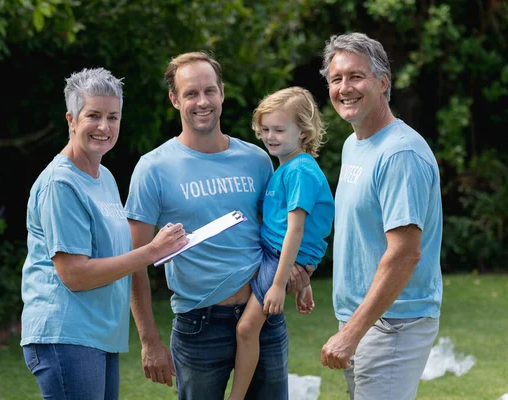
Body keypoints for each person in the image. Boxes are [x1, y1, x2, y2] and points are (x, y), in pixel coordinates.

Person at [123, 52, 312, 400]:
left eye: (209, 90)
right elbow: (135, 261)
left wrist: (298, 272)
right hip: (198, 326)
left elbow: (279, 233)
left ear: (222, 93)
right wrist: (149, 339)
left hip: (263, 319)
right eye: (191, 93)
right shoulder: (153, 169)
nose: (202, 101)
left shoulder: (257, 160)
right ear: (174, 99)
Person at [20, 68, 189, 400]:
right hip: (65, 334)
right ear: (71, 119)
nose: (104, 127)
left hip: (97, 335)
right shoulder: (61, 183)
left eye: (113, 117)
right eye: (93, 115)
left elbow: (116, 259)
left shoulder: (105, 177)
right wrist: (152, 251)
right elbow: (75, 275)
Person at [318, 32, 443, 400]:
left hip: (394, 325)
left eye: (356, 76)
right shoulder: (354, 144)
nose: (345, 88)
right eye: (336, 79)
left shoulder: (399, 154)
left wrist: (352, 332)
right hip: (365, 319)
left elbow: (405, 253)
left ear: (383, 82)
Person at [228, 87, 334, 399]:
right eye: (265, 130)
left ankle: (236, 397)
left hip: (278, 257)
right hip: (276, 255)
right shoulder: (285, 166)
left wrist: (278, 285)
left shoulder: (299, 170)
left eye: (279, 130)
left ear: (303, 131)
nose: (270, 137)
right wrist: (304, 282)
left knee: (246, 330)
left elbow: (296, 231)